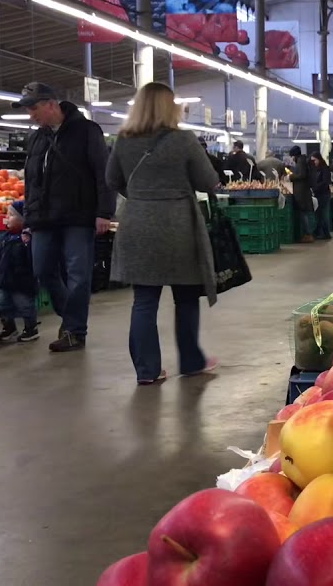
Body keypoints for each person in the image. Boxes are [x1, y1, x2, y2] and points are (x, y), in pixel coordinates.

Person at [105, 82, 221, 385]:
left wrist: (141, 197)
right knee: (185, 298)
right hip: (178, 226)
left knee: (143, 301)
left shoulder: (123, 140)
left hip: (137, 224)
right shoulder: (183, 140)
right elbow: (208, 180)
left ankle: (147, 371)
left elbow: (112, 179)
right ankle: (192, 362)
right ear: (169, 107)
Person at [17, 81, 113, 353]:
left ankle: (74, 330)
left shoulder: (87, 131)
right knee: (42, 270)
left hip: (78, 216)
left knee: (78, 275)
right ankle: (70, 317)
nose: (31, 115)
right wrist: (27, 218)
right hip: (43, 217)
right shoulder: (37, 137)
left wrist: (103, 212)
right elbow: (31, 182)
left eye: (34, 108)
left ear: (51, 104)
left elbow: (102, 173)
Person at [0, 200, 38, 343]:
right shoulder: (4, 238)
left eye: (10, 215)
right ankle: (9, 327)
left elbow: (32, 259)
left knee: (24, 305)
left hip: (21, 281)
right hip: (4, 279)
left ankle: (31, 328)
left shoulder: (27, 240)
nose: (6, 218)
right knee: (1, 303)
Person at [289, 145, 315, 243]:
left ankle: (308, 234)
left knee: (304, 214)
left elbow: (301, 175)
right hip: (304, 191)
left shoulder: (300, 162)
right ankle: (309, 233)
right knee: (306, 213)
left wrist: (291, 177)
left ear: (294, 155)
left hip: (301, 192)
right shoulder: (303, 161)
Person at [311, 154, 333, 241]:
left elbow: (325, 182)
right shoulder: (314, 170)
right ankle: (320, 232)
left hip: (324, 194)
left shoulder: (325, 169)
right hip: (317, 194)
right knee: (319, 214)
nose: (313, 162)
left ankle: (325, 233)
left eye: (315, 160)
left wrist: (315, 187)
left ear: (319, 159)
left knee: (323, 214)